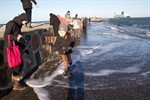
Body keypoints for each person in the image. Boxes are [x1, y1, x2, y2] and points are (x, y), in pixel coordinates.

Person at [3, 13, 29, 90]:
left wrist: (25, 48)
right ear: (22, 19)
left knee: (18, 67)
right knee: (16, 68)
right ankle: (17, 86)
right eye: (26, 21)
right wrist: (16, 37)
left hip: (15, 50)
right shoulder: (11, 23)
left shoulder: (18, 25)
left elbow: (18, 40)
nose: (26, 23)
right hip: (10, 51)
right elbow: (6, 35)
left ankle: (16, 84)